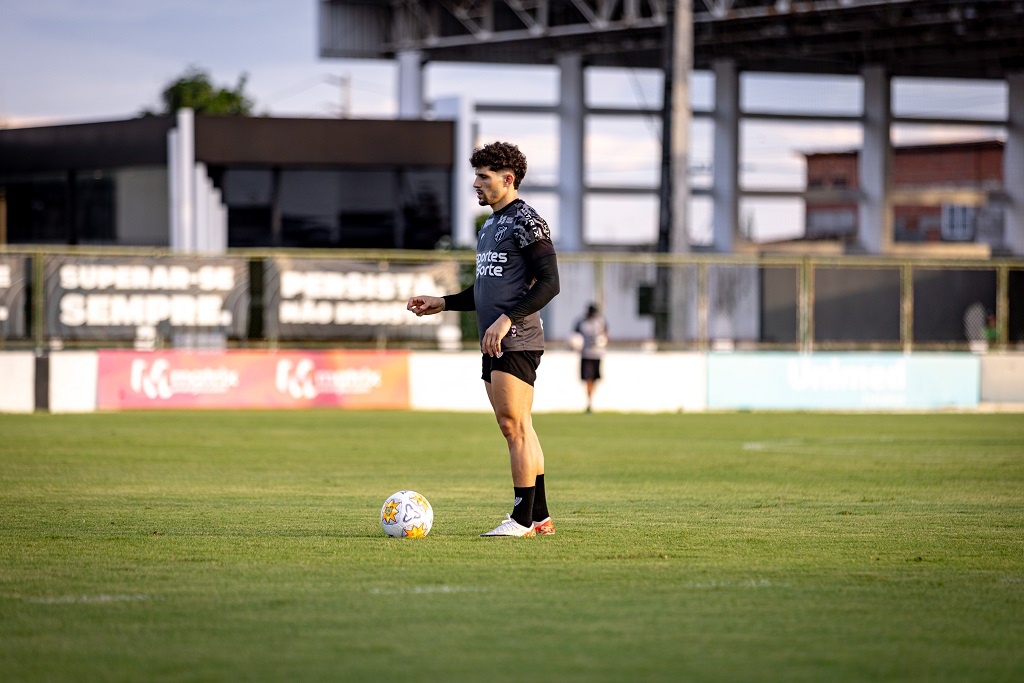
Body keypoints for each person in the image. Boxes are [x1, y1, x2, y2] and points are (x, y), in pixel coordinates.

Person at [407, 141, 560, 537]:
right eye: (475, 175)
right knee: (517, 426)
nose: (475, 183)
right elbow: (487, 288)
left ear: (509, 180)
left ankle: (522, 519)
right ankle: (539, 517)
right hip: (494, 341)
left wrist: (509, 318)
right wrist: (443, 302)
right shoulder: (491, 224)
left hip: (518, 338)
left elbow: (550, 282)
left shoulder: (527, 220)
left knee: (515, 427)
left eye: (484, 177)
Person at [574, 303, 608, 413]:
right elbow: (575, 336)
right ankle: (589, 402)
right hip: (586, 354)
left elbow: (606, 334)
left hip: (597, 354)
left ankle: (591, 400)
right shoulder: (581, 322)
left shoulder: (601, 321)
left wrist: (602, 340)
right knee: (588, 379)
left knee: (594, 379)